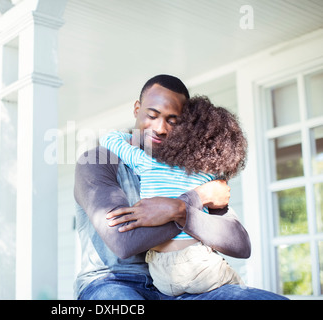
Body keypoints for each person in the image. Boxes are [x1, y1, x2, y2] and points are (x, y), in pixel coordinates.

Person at [73, 74, 287, 300]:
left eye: (172, 121)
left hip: (185, 288)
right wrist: (195, 199)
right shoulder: (98, 161)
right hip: (112, 282)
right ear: (137, 109)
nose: (160, 128)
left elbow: (239, 244)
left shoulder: (189, 168)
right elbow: (123, 242)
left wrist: (179, 210)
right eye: (152, 115)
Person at [99, 95, 246, 296]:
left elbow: (109, 139)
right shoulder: (209, 176)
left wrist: (132, 138)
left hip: (160, 273)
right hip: (199, 265)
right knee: (239, 286)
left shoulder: (146, 163)